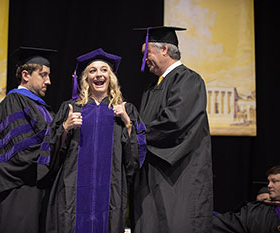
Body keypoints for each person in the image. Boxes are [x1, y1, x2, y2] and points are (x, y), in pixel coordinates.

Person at [44, 48, 146, 233]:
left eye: (104, 69)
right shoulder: (70, 108)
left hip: (110, 190)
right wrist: (65, 128)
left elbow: (134, 159)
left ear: (111, 76)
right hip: (73, 189)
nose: (99, 74)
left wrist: (128, 123)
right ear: (85, 78)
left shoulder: (125, 109)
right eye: (93, 70)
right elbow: (52, 153)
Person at [130, 26, 213, 233]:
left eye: (146, 53)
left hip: (178, 174)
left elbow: (174, 122)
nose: (144, 60)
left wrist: (136, 133)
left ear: (164, 49)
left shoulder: (188, 80)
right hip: (154, 173)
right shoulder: (152, 88)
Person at [0, 46, 56, 233]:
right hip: (21, 189)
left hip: (40, 187)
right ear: (26, 75)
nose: (48, 81)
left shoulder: (42, 106)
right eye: (43, 75)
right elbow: (21, 151)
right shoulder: (13, 102)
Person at [213, 165, 280, 232]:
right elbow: (230, 223)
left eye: (274, 181)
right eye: (269, 182)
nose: (269, 185)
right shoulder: (256, 210)